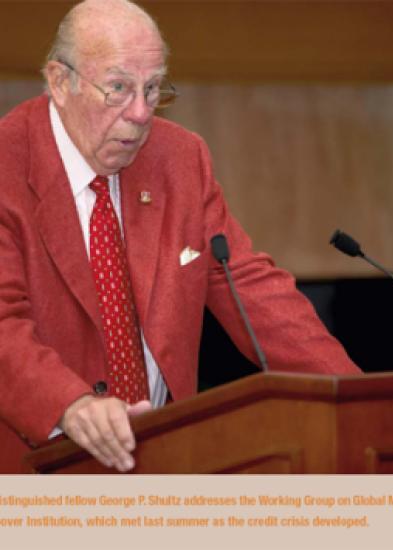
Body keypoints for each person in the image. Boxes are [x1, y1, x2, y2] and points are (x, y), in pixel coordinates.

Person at [0, 0, 360, 474]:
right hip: (34, 474)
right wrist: (72, 405)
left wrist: (357, 402)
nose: (141, 112)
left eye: (153, 89)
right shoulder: (9, 162)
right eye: (118, 88)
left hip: (164, 463)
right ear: (60, 82)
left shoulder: (180, 159)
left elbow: (251, 288)